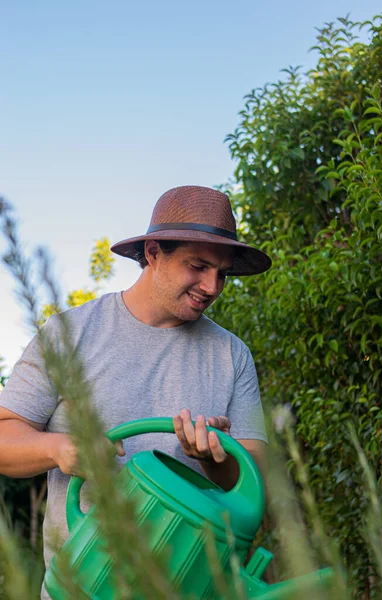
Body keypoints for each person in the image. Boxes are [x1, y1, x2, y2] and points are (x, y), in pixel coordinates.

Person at [0, 185, 271, 597]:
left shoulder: (231, 355)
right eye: (198, 266)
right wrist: (60, 448)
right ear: (153, 253)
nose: (212, 286)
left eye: (223, 273)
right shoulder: (69, 335)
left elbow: (256, 485)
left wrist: (215, 459)